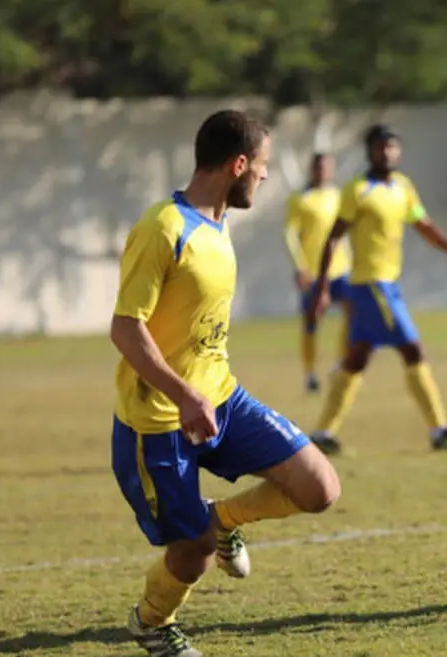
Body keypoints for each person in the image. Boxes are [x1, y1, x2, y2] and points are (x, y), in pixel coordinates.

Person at [110, 109, 342, 657]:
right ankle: (150, 622)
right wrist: (184, 394)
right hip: (160, 421)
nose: (264, 177)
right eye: (261, 167)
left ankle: (222, 518)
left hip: (222, 398)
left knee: (319, 487)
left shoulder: (215, 222)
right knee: (192, 550)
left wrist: (204, 392)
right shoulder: (163, 228)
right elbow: (125, 328)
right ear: (239, 164)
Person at [306, 124, 447, 454]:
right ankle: (439, 429)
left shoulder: (403, 187)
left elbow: (422, 224)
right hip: (372, 285)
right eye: (381, 147)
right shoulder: (357, 190)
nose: (387, 153)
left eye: (392, 147)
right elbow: (334, 237)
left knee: (356, 359)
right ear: (369, 152)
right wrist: (322, 287)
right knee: (413, 349)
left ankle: (322, 434)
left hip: (388, 285)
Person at [284, 153, 351, 393]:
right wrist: (299, 265)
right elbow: (290, 234)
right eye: (318, 167)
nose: (322, 171)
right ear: (311, 169)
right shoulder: (300, 198)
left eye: (326, 167)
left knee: (353, 313)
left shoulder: (337, 195)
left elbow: (344, 232)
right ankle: (310, 373)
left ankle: (341, 365)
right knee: (312, 320)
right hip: (312, 272)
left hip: (340, 268)